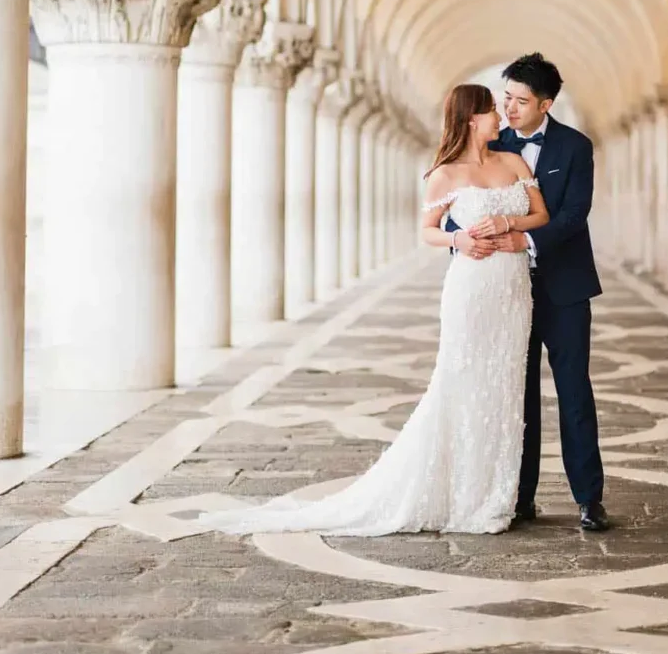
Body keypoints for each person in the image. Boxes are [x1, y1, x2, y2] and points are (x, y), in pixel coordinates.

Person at [198, 84, 548, 537]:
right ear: (470, 119)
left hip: (513, 287)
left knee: (504, 385)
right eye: (490, 111)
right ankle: (460, 492)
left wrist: (509, 223)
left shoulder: (514, 163)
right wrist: (457, 238)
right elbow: (427, 230)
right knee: (463, 382)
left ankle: (494, 493)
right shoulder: (445, 174)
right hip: (472, 287)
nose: (500, 116)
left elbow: (540, 215)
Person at [446, 53, 609, 533]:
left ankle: (588, 499)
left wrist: (526, 238)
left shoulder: (575, 147)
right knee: (516, 393)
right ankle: (518, 495)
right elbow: (455, 205)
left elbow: (574, 215)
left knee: (574, 390)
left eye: (520, 101)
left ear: (547, 104)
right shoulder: (492, 146)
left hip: (565, 287)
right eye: (505, 99)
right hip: (503, 288)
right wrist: (464, 249)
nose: (509, 109)